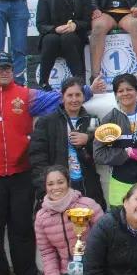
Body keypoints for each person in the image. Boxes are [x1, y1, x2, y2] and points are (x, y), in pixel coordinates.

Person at [0, 51, 100, 275]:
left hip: (20, 171)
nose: (4, 72)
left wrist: (87, 90)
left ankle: (27, 273)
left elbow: (60, 98)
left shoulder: (26, 95)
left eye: (7, 68)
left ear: (13, 71)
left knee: (21, 226)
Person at [34, 166, 103, 275]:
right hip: (65, 273)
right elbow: (47, 252)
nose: (56, 187)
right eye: (50, 184)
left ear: (68, 182)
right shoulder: (41, 217)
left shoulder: (88, 205)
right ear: (45, 187)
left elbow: (107, 237)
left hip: (93, 270)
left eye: (60, 182)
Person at [29, 78, 104, 206]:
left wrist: (88, 139)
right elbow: (37, 158)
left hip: (86, 185)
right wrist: (45, 188)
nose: (74, 99)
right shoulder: (46, 122)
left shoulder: (92, 120)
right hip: (58, 186)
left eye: (78, 95)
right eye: (70, 95)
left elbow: (101, 153)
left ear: (83, 96)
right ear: (62, 97)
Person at [93, 74, 137, 208]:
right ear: (115, 95)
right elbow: (98, 154)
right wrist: (126, 153)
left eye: (129, 89)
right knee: (119, 220)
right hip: (121, 183)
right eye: (120, 91)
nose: (125, 93)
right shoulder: (110, 119)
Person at [36, 0, 94, 88]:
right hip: (52, 34)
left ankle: (80, 83)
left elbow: (88, 21)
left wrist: (76, 25)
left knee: (68, 38)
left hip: (75, 36)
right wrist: (55, 29)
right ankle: (44, 83)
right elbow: (41, 24)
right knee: (50, 40)